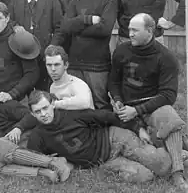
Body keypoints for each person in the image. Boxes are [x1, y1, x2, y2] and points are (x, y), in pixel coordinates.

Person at [109, 13, 188, 191]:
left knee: (169, 116)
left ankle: (177, 172)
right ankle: (179, 151)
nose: (130, 34)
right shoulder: (121, 51)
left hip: (153, 108)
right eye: (129, 29)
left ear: (150, 31)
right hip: (126, 109)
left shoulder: (166, 57)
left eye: (135, 30)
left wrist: (137, 110)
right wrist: (118, 100)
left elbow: (168, 95)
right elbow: (113, 81)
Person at [27, 90, 173, 183]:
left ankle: (177, 152)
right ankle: (158, 154)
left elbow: (108, 116)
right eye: (38, 111)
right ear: (32, 114)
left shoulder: (73, 114)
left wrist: (137, 128)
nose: (44, 114)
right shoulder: (38, 137)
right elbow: (36, 160)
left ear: (52, 104)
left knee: (162, 166)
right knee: (145, 176)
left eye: (45, 108)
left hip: (113, 139)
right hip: (103, 162)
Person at [0, 83, 72, 183]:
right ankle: (45, 172)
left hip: (25, 140)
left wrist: (18, 128)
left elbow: (31, 116)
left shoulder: (6, 106)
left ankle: (52, 162)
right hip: (6, 150)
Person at [61, 0, 116, 109]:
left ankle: (105, 133)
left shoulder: (109, 0)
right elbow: (65, 26)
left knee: (100, 103)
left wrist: (77, 28)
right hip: (75, 62)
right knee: (77, 105)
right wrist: (87, 20)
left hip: (97, 64)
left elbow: (104, 29)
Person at [8, 0, 64, 90]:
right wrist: (15, 27)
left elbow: (60, 27)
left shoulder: (52, 0)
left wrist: (52, 46)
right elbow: (9, 21)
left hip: (44, 55)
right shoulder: (15, 1)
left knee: (43, 92)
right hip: (21, 55)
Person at [0, 2, 39, 104]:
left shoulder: (19, 40)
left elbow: (32, 74)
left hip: (16, 100)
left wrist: (12, 94)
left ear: (7, 19)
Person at [44, 45, 94, 110]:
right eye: (49, 65)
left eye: (57, 65)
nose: (53, 69)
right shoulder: (52, 87)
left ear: (66, 65)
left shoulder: (77, 84)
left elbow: (85, 102)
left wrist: (55, 104)